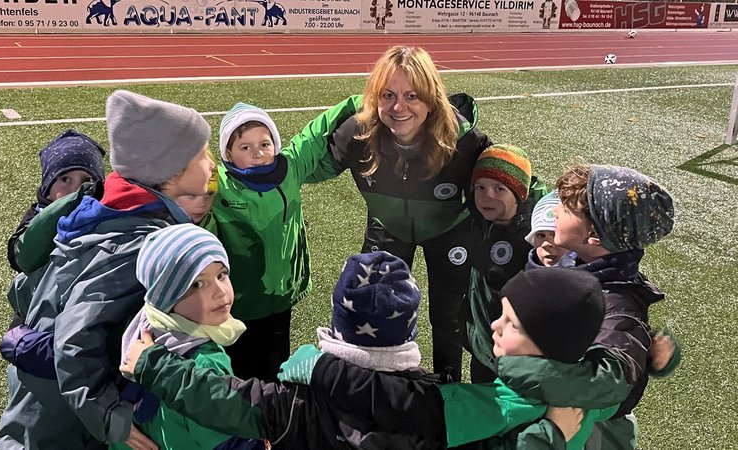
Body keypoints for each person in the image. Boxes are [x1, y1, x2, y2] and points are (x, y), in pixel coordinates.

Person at [122, 251, 594, 449]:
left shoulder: (295, 396)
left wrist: (152, 363)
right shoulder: (440, 403)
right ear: (408, 331)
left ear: (337, 324)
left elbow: (219, 399)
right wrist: (551, 433)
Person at [0, 89, 214, 450]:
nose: (210, 165)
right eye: (202, 154)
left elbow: (23, 288)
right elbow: (74, 339)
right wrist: (109, 415)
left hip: (38, 410)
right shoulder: (136, 240)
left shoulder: (102, 212)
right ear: (172, 169)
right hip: (64, 427)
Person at [306, 45, 494, 381]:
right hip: (388, 227)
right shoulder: (359, 132)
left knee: (448, 318)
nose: (398, 107)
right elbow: (302, 166)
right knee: (372, 308)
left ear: (431, 98)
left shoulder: (463, 140)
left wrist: (550, 217)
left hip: (450, 232)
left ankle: (446, 390)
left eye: (412, 96)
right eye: (388, 95)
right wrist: (264, 170)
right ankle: (376, 387)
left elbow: (513, 180)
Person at [276, 267, 617, 449]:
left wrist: (320, 367)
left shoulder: (499, 404)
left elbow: (403, 403)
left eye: (511, 323)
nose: (495, 325)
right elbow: (626, 385)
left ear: (547, 341)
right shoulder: (593, 386)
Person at [494, 163, 676, 449]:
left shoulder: (614, 299)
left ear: (593, 236)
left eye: (566, 209)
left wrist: (522, 368)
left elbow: (612, 379)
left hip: (597, 431)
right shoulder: (586, 270)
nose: (554, 211)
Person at [211, 102, 353, 380]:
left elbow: (314, 134)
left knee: (277, 364)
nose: (258, 153)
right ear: (227, 152)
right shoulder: (218, 183)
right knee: (240, 369)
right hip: (237, 302)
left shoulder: (288, 168)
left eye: (265, 144)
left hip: (281, 295)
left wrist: (362, 101)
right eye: (245, 147)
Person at [110, 223, 265, 450]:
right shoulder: (203, 365)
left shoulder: (140, 328)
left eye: (222, 275)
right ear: (165, 296)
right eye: (197, 284)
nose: (220, 292)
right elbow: (232, 444)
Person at [463, 144, 548, 383]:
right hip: (482, 347)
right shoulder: (481, 222)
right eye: (480, 187)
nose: (487, 196)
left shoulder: (534, 239)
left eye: (499, 188)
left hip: (514, 357)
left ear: (519, 193)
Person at [6, 129, 106, 273]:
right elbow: (22, 258)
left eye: (87, 181)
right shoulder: (36, 218)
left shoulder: (104, 211)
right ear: (47, 191)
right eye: (65, 179)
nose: (77, 189)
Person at [523, 190, 576, 269]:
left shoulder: (592, 275)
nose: (546, 244)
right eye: (541, 235)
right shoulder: (526, 278)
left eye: (556, 234)